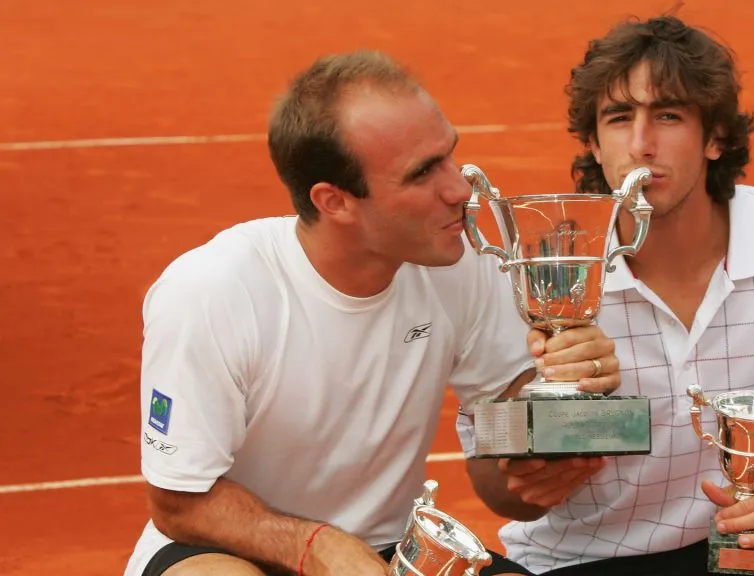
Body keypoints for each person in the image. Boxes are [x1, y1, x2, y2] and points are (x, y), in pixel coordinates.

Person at [459, 15, 754, 576]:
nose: (641, 144)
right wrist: (533, 466)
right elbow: (493, 483)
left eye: (668, 115)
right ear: (593, 143)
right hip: (589, 558)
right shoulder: (540, 268)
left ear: (716, 137)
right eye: (619, 119)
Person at [122, 50, 619, 576]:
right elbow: (177, 502)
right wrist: (315, 546)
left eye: (450, 155)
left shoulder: (456, 262)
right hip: (228, 554)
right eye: (422, 173)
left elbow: (504, 471)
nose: (460, 190)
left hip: (389, 552)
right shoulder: (212, 291)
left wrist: (565, 400)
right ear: (334, 202)